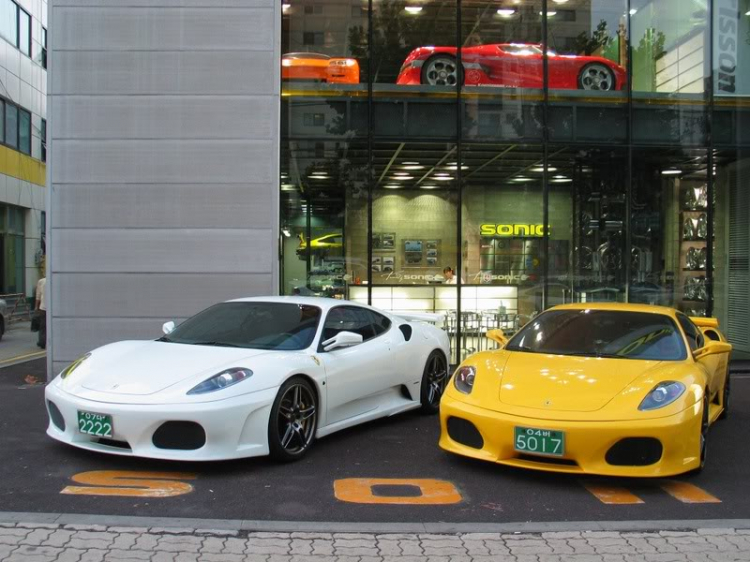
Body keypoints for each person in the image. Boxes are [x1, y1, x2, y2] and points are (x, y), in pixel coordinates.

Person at [35, 275, 46, 349]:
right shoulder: (55, 280)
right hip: (53, 308)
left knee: (43, 326)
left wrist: (36, 307)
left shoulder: (41, 281)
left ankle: (42, 342)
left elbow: (38, 296)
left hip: (43, 307)